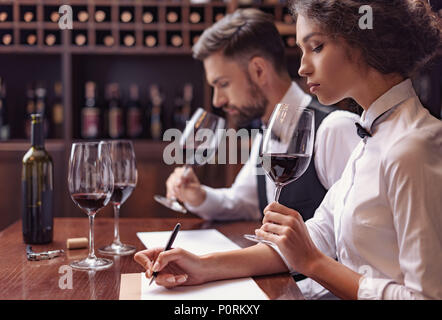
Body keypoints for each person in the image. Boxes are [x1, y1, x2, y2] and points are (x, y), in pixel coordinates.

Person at [135, 0, 442, 300]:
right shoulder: (371, 137)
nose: (302, 67)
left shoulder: (412, 147)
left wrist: (313, 263)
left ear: (363, 41)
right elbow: (318, 235)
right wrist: (201, 266)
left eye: (317, 47)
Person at [165, 8, 360, 222]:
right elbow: (242, 202)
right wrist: (199, 196)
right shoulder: (266, 133)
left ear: (259, 70)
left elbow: (354, 233)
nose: (217, 101)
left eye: (223, 84)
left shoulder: (335, 128)